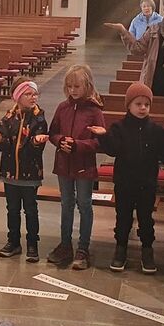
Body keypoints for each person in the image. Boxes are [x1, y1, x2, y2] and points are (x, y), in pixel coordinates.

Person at [88, 82, 164, 274]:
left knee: (146, 217)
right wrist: (104, 136)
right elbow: (112, 150)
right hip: (124, 181)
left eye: (147, 104)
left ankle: (147, 250)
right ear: (129, 105)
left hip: (147, 182)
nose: (143, 108)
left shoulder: (154, 129)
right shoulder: (119, 127)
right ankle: (121, 249)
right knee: (123, 216)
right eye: (138, 104)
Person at [48, 65, 105, 270]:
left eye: (77, 86)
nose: (73, 90)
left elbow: (99, 141)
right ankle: (65, 244)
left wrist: (78, 145)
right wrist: (60, 141)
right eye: (69, 86)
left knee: (84, 204)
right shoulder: (62, 107)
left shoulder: (94, 111)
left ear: (87, 85)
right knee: (66, 203)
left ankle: (83, 248)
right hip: (64, 164)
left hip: (84, 166)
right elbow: (53, 132)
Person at [0, 78, 49, 263]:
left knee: (31, 210)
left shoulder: (39, 118)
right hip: (10, 172)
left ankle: (32, 244)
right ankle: (13, 241)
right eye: (28, 94)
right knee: (12, 209)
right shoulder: (8, 118)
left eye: (35, 94)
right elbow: (6, 147)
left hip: (30, 173)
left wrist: (36, 142)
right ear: (18, 97)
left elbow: (35, 150)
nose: (33, 97)